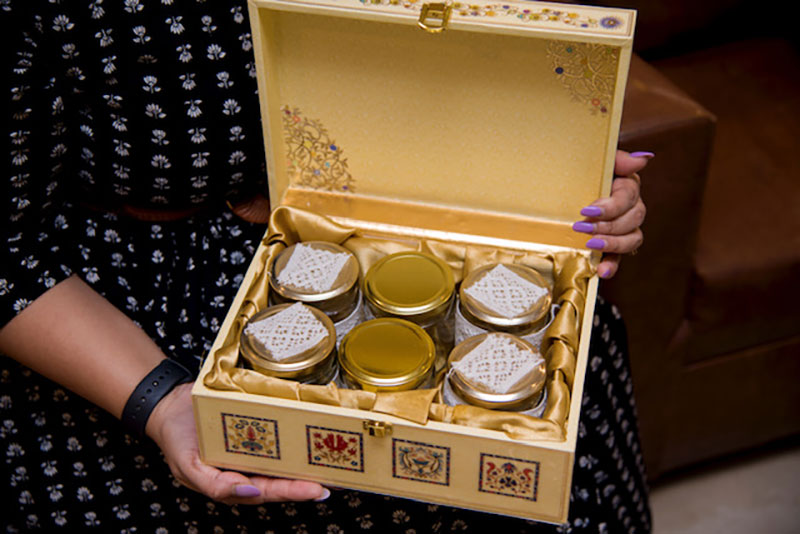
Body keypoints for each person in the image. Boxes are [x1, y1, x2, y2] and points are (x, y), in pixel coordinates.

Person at [1, 2, 650, 532]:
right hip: (133, 329)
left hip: (444, 261)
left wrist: (565, 168)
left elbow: (478, 56)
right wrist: (162, 401)